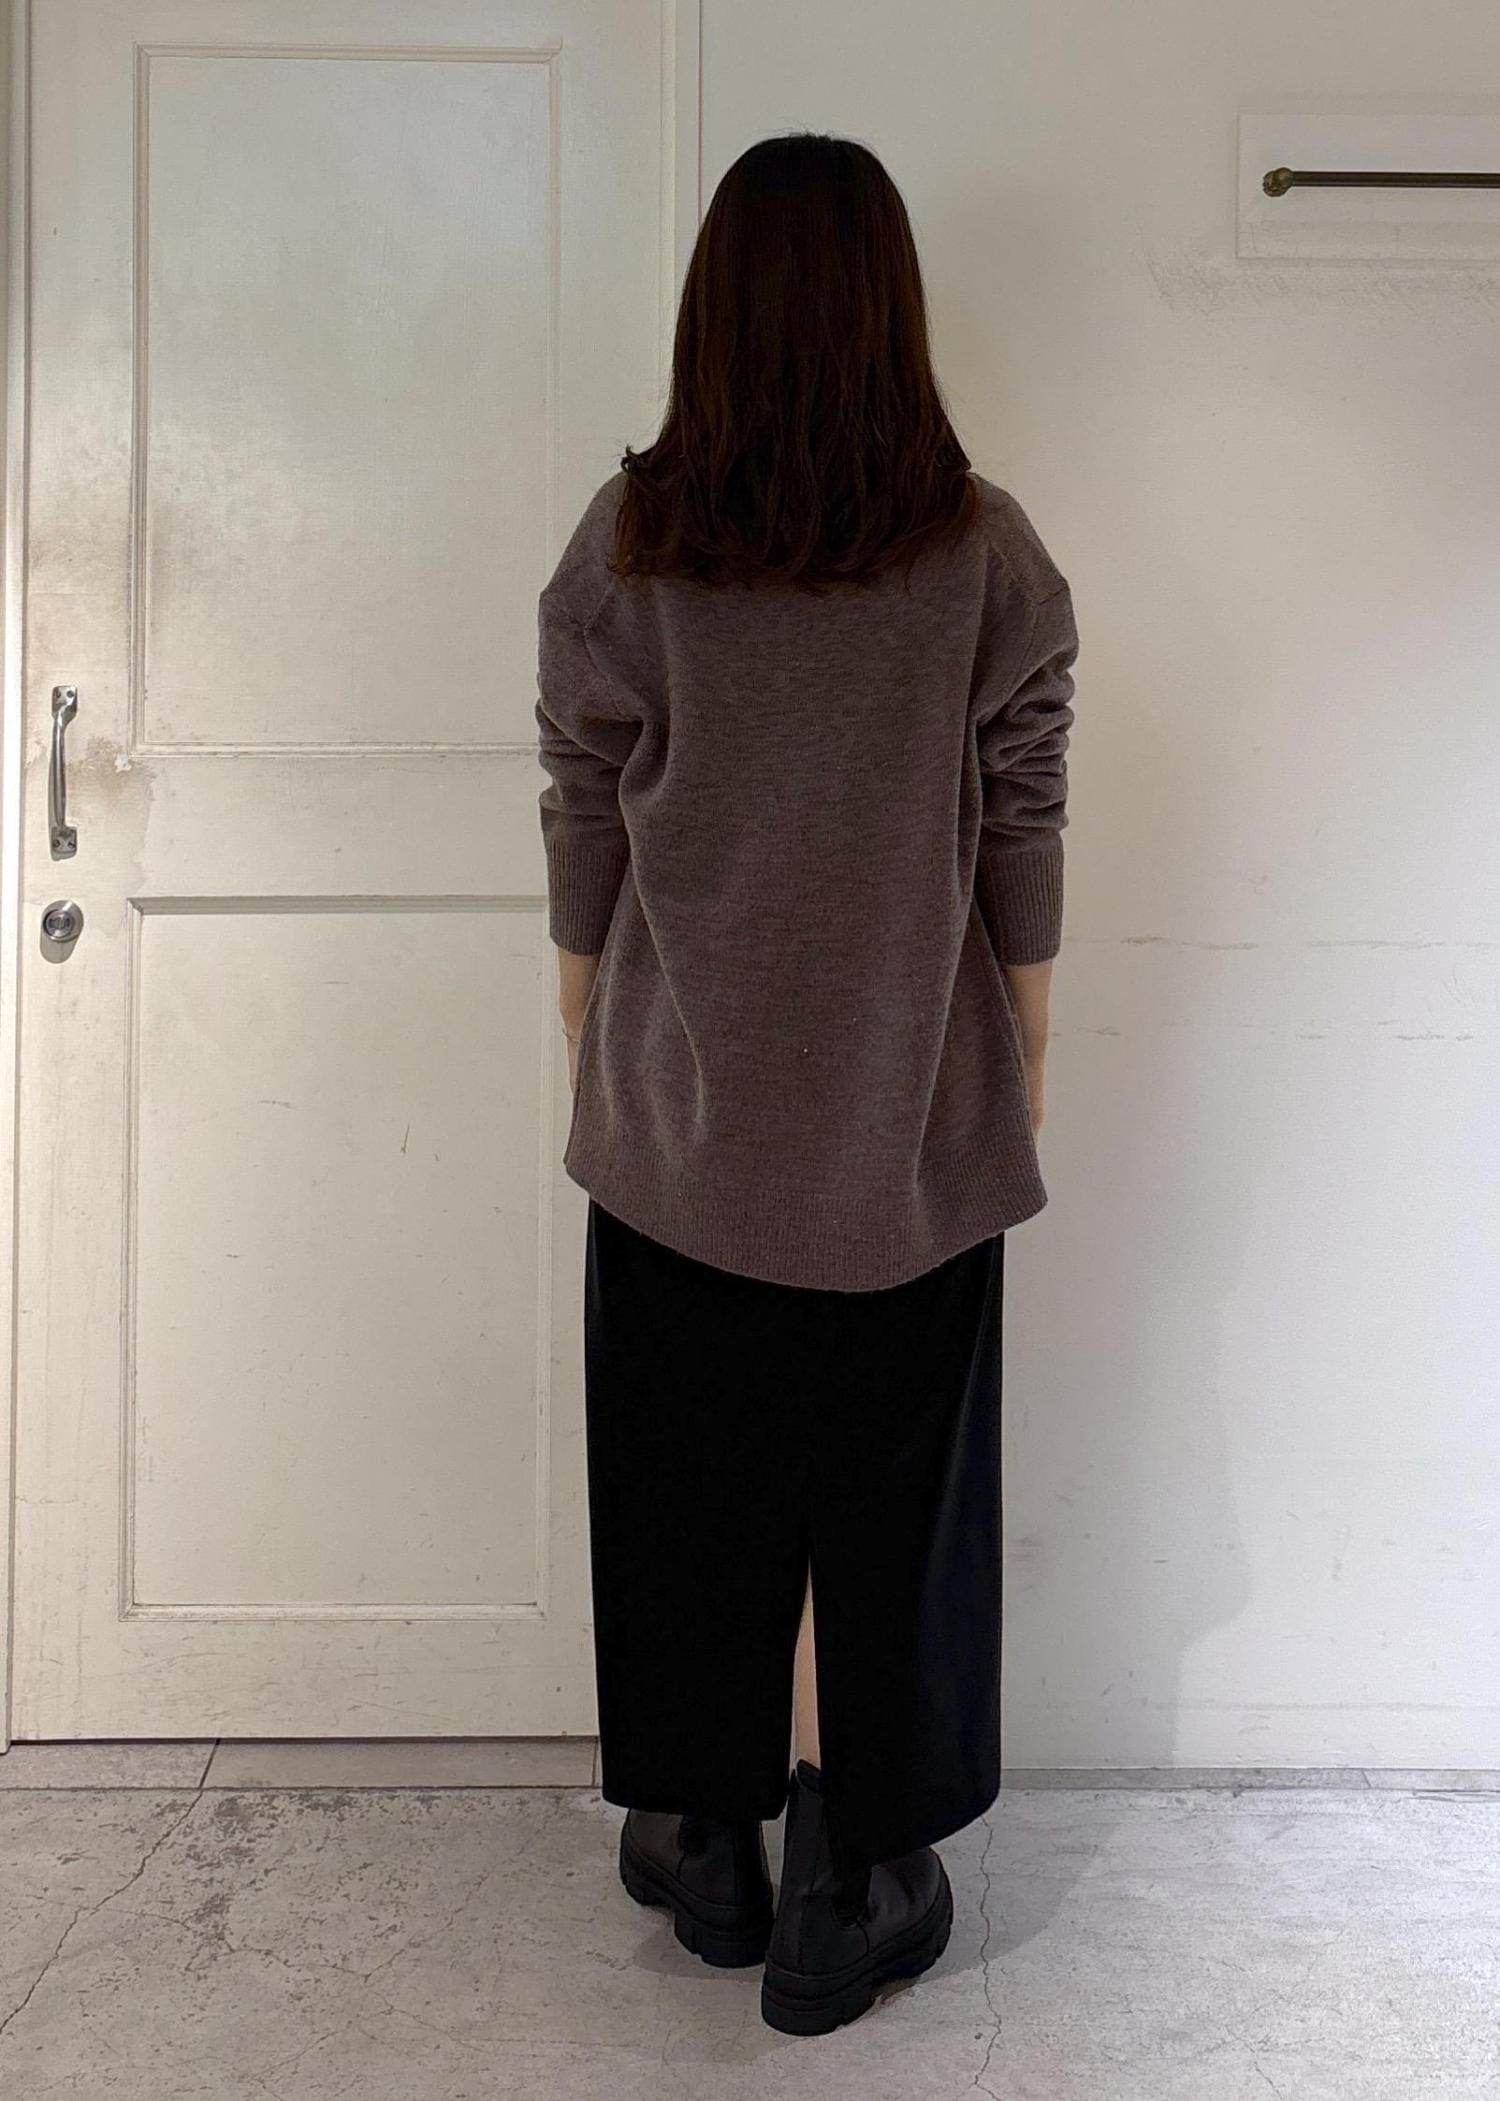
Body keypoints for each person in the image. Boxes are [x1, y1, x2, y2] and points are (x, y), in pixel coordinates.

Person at [533, 129, 1079, 2038]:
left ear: (716, 317)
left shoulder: (632, 541)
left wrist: (594, 1031)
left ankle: (710, 1838)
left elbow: (583, 787)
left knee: (686, 1482)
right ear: (889, 315)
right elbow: (1024, 799)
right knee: (892, 1504)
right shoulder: (982, 549)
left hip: (682, 1120)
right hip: (904, 1125)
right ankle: (852, 1877)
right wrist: (1021, 1052)